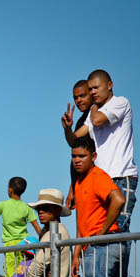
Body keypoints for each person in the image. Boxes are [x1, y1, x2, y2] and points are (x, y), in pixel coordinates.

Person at [67, 69, 137, 233]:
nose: (93, 92)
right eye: (90, 89)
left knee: (118, 228)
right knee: (100, 229)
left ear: (110, 85)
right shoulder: (93, 114)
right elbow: (74, 140)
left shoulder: (120, 102)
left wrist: (93, 107)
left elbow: (98, 121)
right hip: (100, 179)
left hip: (120, 175)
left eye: (96, 88)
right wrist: (67, 128)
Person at [70, 137, 128, 277]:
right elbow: (81, 222)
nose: (77, 160)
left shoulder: (97, 176)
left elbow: (119, 200)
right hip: (93, 246)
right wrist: (76, 255)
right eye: (74, 156)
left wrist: (101, 232)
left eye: (82, 156)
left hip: (103, 245)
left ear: (93, 157)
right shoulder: (79, 182)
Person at [0, 176, 41, 277]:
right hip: (25, 245)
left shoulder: (3, 205)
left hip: (10, 246)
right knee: (23, 272)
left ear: (10, 190)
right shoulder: (27, 207)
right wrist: (46, 242)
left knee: (10, 274)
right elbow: (38, 229)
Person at [23, 188, 73, 277]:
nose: (40, 211)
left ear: (58, 211)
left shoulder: (54, 233)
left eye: (45, 208)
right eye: (39, 209)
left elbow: (37, 267)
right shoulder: (59, 231)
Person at [61, 80, 93, 209]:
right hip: (80, 183)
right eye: (75, 97)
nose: (78, 100)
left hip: (93, 181)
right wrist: (73, 188)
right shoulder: (81, 121)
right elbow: (75, 149)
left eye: (82, 96)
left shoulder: (97, 116)